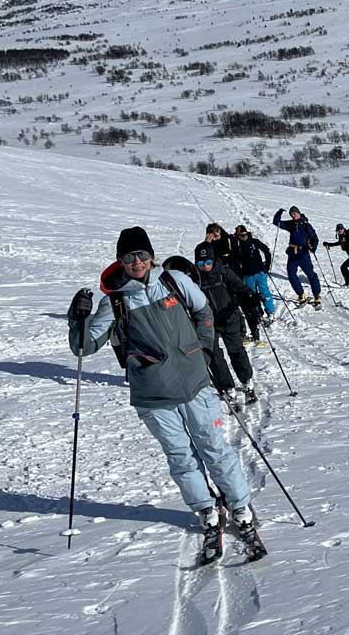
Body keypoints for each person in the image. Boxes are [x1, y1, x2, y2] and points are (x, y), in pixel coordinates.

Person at [66, 226, 259, 561]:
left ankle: (241, 507)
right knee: (181, 457)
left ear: (151, 256)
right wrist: (77, 317)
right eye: (129, 257)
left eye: (142, 254)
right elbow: (83, 347)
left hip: (196, 384)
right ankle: (207, 510)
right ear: (120, 261)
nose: (137, 262)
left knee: (215, 448)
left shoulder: (173, 281)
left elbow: (204, 312)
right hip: (154, 396)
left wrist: (202, 347)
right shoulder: (115, 301)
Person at [190, 243, 259, 406]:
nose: (205, 266)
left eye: (208, 262)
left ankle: (246, 381)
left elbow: (240, 287)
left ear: (214, 260)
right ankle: (227, 387)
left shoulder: (224, 273)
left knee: (236, 351)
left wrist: (250, 297)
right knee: (214, 356)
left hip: (229, 317)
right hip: (207, 323)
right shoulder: (194, 280)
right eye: (200, 263)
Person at [232, 224, 274, 341]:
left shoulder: (254, 242)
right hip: (247, 275)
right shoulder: (237, 245)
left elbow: (267, 251)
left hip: (260, 272)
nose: (243, 237)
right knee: (252, 296)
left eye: (245, 234)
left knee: (264, 292)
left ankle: (270, 311)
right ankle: (258, 314)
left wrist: (267, 265)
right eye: (241, 235)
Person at [273, 206, 321, 307]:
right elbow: (276, 222)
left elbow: (314, 238)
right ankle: (301, 295)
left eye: (294, 214)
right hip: (293, 254)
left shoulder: (306, 225)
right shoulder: (291, 224)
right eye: (291, 214)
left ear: (298, 213)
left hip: (303, 254)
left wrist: (313, 247)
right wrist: (279, 212)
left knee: (311, 274)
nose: (293, 216)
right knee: (291, 275)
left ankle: (317, 295)